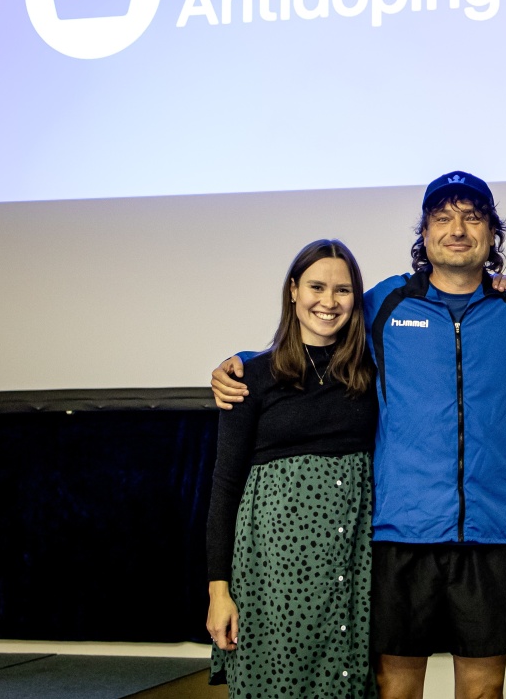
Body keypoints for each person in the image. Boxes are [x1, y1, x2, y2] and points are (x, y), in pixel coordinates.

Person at [211, 171, 506, 699]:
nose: (458, 229)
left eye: (472, 217)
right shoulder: (383, 305)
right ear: (424, 233)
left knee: (484, 690)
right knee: (396, 690)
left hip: (495, 535)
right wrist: (243, 362)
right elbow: (318, 337)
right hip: (401, 535)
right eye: (443, 218)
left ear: (492, 233)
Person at [206, 239, 378, 698]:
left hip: (352, 564)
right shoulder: (249, 376)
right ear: (293, 291)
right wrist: (218, 592)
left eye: (343, 290)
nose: (329, 301)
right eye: (317, 287)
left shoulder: (372, 374)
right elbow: (225, 486)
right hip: (271, 572)